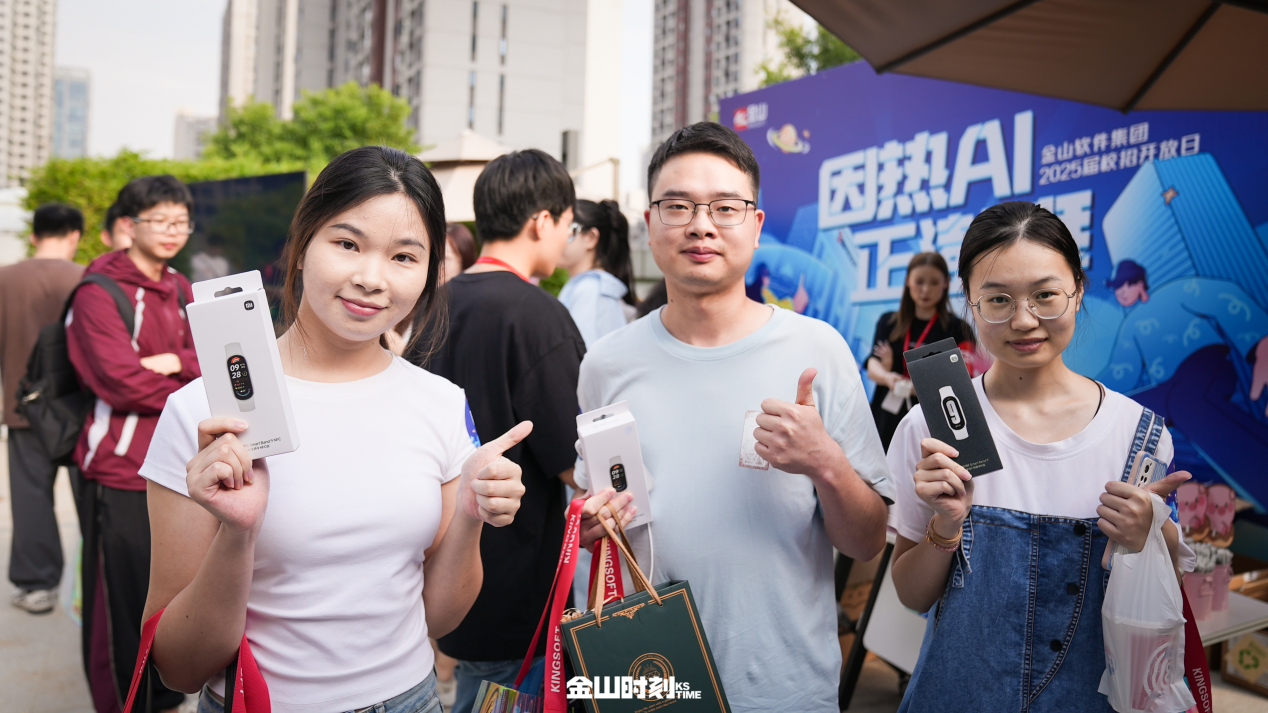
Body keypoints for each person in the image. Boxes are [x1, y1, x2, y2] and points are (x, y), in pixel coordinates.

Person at [139, 146, 530, 713]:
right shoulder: (203, 414)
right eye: (347, 244)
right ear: (301, 246)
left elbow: (438, 620)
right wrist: (237, 535)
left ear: (429, 271)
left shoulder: (441, 403)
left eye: (404, 256)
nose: (371, 279)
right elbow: (179, 668)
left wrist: (471, 513)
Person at [573, 122, 893, 712]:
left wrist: (826, 464)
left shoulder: (817, 351)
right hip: (652, 684)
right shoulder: (606, 364)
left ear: (756, 224)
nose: (701, 224)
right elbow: (599, 525)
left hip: (784, 689)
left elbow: (869, 542)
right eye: (678, 206)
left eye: (725, 206)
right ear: (650, 223)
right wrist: (591, 528)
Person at [886, 202, 1194, 712]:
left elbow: (1163, 598)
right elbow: (911, 595)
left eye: (1045, 295)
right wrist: (947, 525)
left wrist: (1150, 537)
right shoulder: (931, 427)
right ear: (970, 302)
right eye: (998, 299)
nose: (1024, 320)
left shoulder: (1137, 435)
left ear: (1078, 290)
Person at [411, 148, 585, 713]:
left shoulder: (430, 306)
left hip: (439, 570)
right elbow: (573, 462)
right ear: (542, 220)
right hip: (517, 584)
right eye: (567, 225)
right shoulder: (539, 315)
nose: (565, 239)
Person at [68, 176, 201, 713]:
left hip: (180, 466)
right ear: (129, 225)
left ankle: (164, 696)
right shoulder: (98, 292)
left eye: (181, 222)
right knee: (117, 608)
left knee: (171, 591)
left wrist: (174, 362)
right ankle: (122, 703)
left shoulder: (182, 286)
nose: (173, 232)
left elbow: (215, 358)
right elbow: (119, 381)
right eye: (160, 221)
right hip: (119, 468)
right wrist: (189, 383)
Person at [0, 203, 85, 614]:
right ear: (75, 235)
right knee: (91, 499)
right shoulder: (88, 278)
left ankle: (37, 586)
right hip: (78, 409)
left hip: (24, 408)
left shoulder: (5, 279)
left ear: (34, 236)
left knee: (31, 497)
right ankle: (95, 584)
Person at [865, 252, 976, 450]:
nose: (925, 289)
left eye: (934, 282)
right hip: (885, 419)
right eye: (919, 281)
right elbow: (873, 364)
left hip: (933, 421)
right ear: (908, 280)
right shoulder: (889, 322)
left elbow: (963, 379)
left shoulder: (959, 330)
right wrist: (887, 377)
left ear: (946, 283)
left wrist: (916, 388)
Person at [556, 199, 638, 346]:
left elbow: (579, 353)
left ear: (591, 238)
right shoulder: (594, 287)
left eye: (569, 229)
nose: (558, 237)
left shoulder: (589, 290)